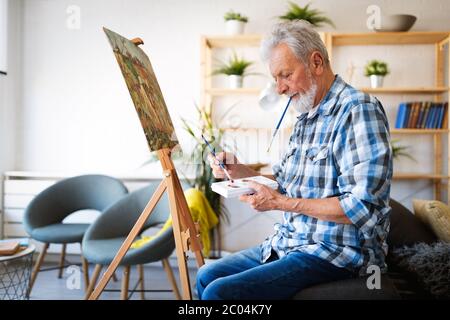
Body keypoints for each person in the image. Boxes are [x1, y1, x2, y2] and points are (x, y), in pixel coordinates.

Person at [196, 20, 393, 300]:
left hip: (338, 252)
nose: (279, 88)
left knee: (220, 292)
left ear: (316, 62)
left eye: (285, 75)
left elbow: (363, 208)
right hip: (292, 241)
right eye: (275, 78)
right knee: (206, 274)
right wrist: (239, 172)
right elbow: (285, 182)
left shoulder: (358, 110)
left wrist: (279, 203)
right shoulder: (305, 116)